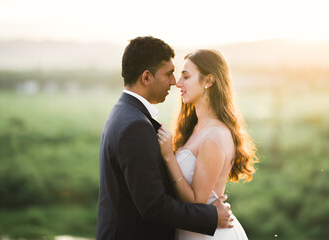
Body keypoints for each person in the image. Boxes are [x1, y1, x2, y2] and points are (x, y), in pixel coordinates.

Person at [96, 37, 233, 240]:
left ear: (209, 81)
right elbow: (153, 205)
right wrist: (211, 216)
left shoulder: (125, 112)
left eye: (183, 76)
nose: (174, 82)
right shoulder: (136, 125)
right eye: (169, 74)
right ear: (146, 77)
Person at [157, 49, 258, 240]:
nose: (178, 83)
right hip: (193, 231)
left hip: (208, 234)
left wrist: (168, 156)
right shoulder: (196, 129)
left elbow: (197, 201)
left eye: (186, 76)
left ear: (209, 81)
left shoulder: (214, 136)